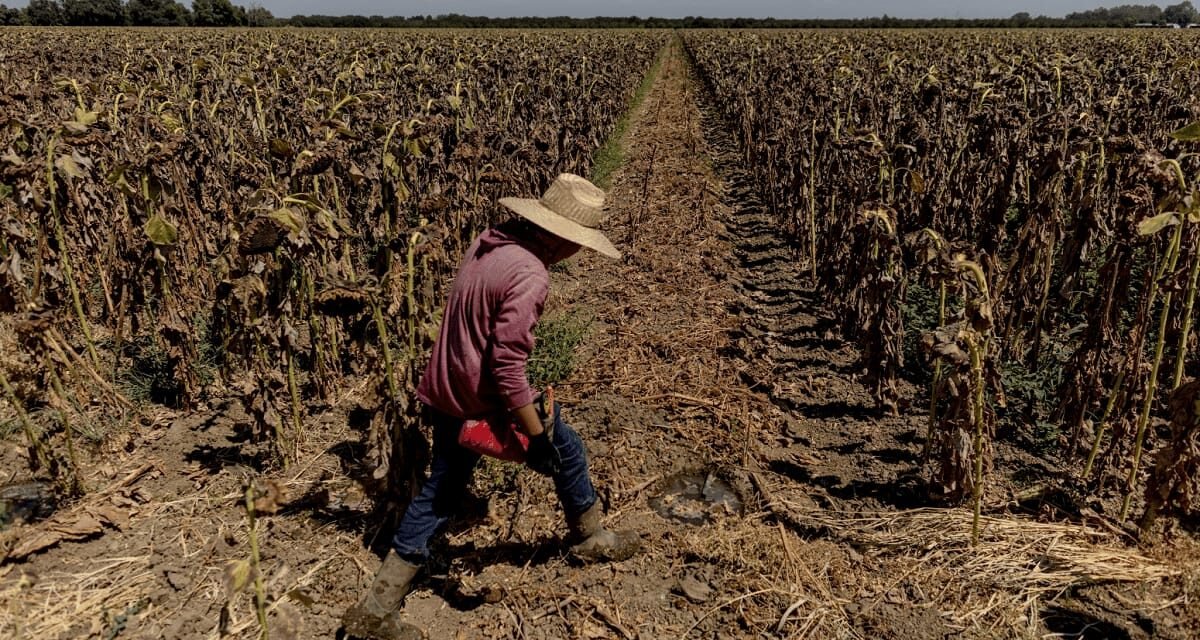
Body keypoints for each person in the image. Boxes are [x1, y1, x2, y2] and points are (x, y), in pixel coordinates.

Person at [342, 174, 640, 640]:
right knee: (567, 450)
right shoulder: (530, 274)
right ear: (562, 239)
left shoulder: (489, 243)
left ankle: (378, 606)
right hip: (481, 399)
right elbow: (506, 368)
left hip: (445, 387)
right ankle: (590, 537)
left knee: (442, 489)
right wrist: (537, 437)